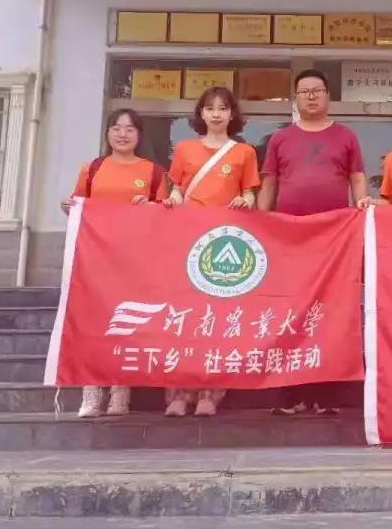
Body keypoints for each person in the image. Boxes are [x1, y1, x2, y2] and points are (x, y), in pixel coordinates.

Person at [258, 69, 370, 415]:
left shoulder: (345, 136)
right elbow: (269, 183)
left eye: (317, 90)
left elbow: (357, 179)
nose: (311, 96)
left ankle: (327, 395)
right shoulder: (280, 139)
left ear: (327, 96)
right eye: (304, 91)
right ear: (295, 98)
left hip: (334, 240)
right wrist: (262, 221)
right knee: (290, 311)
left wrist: (362, 207)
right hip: (289, 239)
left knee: (331, 311)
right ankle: (290, 395)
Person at [163, 85, 260, 418]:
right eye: (210, 108)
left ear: (232, 114)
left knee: (217, 318)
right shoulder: (185, 149)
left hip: (224, 244)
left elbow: (251, 193)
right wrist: (173, 200)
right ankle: (178, 393)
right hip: (188, 241)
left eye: (222, 108)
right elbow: (177, 189)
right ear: (201, 113)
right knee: (185, 318)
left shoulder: (243, 152)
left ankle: (210, 392)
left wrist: (245, 200)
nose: (216, 114)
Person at [62, 107, 166, 418]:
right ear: (107, 132)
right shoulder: (93, 169)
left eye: (130, 129)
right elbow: (79, 207)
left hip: (134, 261)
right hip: (96, 261)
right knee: (94, 324)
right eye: (117, 128)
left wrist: (149, 206)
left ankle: (121, 389)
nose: (122, 134)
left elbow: (164, 214)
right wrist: (68, 206)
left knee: (127, 325)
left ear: (139, 135)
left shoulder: (153, 172)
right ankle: (92, 390)